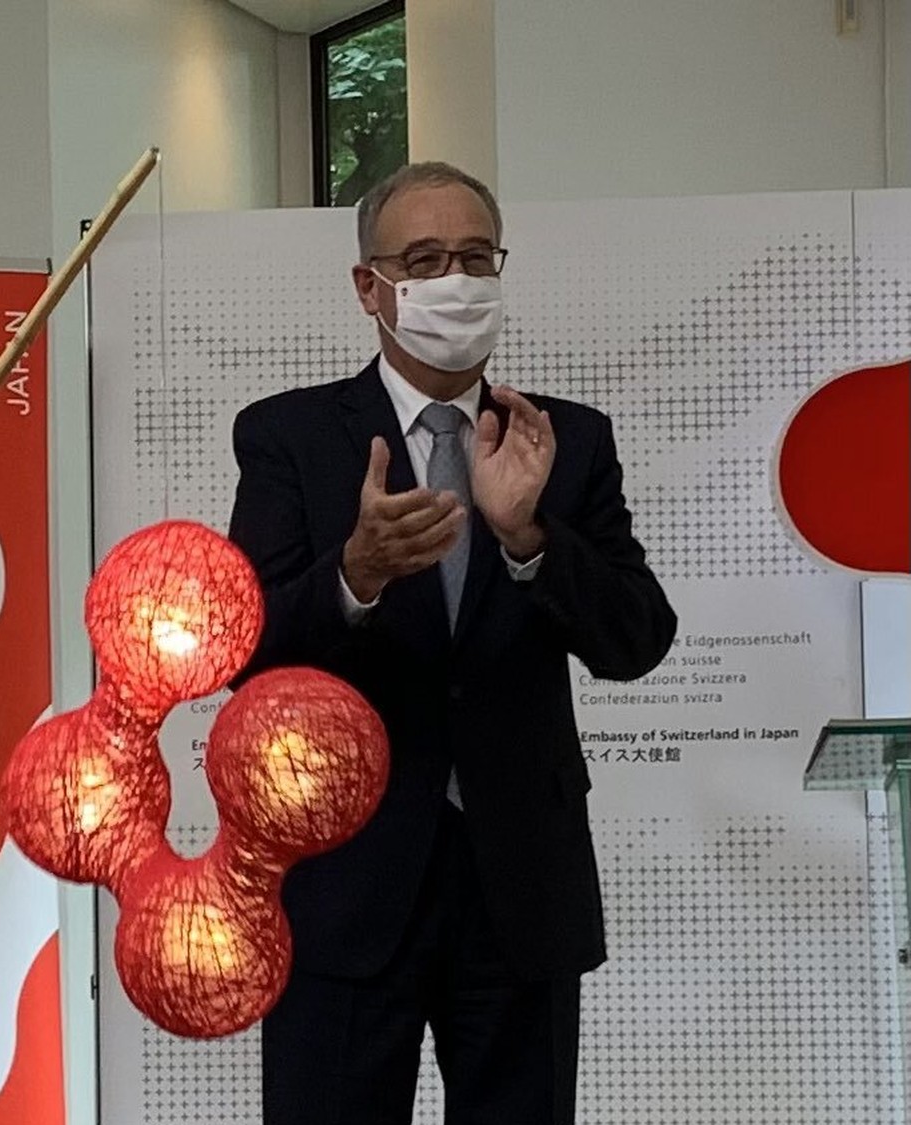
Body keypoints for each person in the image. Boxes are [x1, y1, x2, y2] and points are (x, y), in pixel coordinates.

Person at [227, 162, 677, 1125]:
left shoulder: (567, 442)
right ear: (369, 287)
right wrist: (356, 572)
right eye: (423, 260)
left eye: (475, 258)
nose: (454, 281)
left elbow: (638, 638)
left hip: (520, 885)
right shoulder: (291, 436)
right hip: (345, 885)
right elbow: (245, 646)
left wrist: (532, 542)